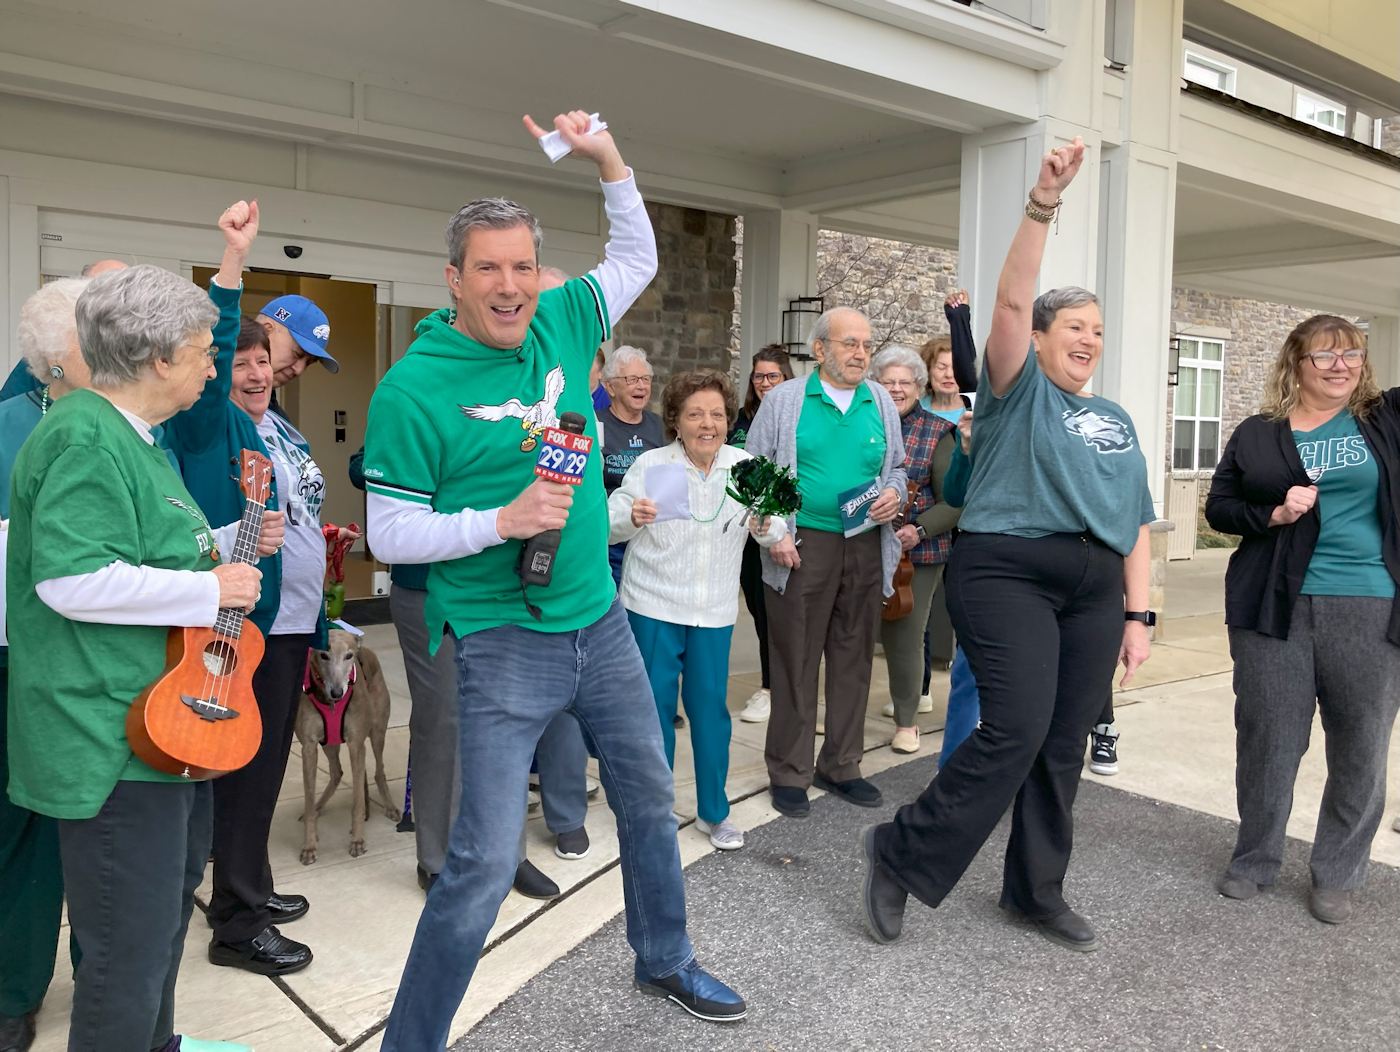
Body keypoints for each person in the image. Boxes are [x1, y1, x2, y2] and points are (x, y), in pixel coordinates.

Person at [362, 110, 746, 1049]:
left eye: (523, 265)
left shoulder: (567, 320)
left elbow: (635, 255)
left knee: (650, 801)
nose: (509, 285)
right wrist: (499, 521)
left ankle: (663, 958)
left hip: (598, 622)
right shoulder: (412, 388)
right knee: (484, 863)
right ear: (454, 278)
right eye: (488, 268)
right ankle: (413, 1040)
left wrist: (607, 157)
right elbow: (388, 531)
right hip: (497, 639)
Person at [861, 137, 1156, 955]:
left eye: (1098, 329)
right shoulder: (1015, 389)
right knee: (1015, 728)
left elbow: (1134, 522)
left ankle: (1034, 890)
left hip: (1096, 587)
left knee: (1063, 743)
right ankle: (901, 849)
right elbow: (1007, 303)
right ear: (1042, 336)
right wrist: (1042, 203)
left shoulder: (1119, 420)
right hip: (1009, 569)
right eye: (1074, 326)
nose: (1089, 338)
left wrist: (1142, 614)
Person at [6, 264, 269, 1052]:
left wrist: (215, 566)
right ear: (157, 357)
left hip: (160, 734)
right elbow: (71, 578)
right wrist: (212, 591)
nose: (214, 365)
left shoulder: (134, 439)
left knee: (152, 940)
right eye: (201, 351)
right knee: (125, 957)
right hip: (109, 746)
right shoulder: (87, 436)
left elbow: (144, 556)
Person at [160, 201, 342, 977]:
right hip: (243, 626)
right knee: (243, 770)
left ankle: (250, 888)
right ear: (210, 372)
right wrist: (232, 264)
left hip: (289, 621)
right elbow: (217, 341)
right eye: (241, 361)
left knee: (261, 770)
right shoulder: (211, 425)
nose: (261, 370)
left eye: (267, 360)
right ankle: (237, 922)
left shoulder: (279, 430)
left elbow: (287, 510)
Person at [1206, 314, 1400, 925]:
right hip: (1273, 606)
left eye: (1352, 354)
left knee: (1362, 743)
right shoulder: (1259, 434)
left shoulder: (1385, 420)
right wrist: (1274, 514)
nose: (1341, 366)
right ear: (1295, 363)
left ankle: (1338, 872)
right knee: (1268, 736)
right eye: (1325, 356)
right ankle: (1255, 858)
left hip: (1369, 602)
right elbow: (1220, 507)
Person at [349, 447, 582, 897]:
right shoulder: (416, 396)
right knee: (443, 721)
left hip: (500, 586)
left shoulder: (509, 401)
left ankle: (508, 857)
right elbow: (366, 465)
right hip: (429, 586)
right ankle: (437, 860)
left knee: (509, 722)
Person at [609, 369, 787, 851]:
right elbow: (608, 525)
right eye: (694, 414)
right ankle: (654, 809)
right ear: (676, 421)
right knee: (654, 714)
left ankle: (714, 812)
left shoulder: (747, 467)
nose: (707, 423)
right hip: (652, 605)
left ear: (728, 419)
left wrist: (768, 525)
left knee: (710, 712)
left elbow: (775, 532)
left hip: (712, 611)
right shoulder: (652, 466)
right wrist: (632, 515)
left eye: (716, 414)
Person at [745, 306, 908, 819]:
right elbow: (752, 472)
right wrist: (775, 533)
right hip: (801, 545)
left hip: (863, 542)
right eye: (849, 344)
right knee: (795, 657)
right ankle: (789, 772)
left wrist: (893, 494)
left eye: (866, 344)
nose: (861, 353)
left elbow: (898, 468)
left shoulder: (879, 401)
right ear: (820, 350)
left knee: (854, 656)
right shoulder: (787, 400)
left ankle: (841, 765)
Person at [0, 279, 90, 1052]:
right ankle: (12, 992)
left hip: (103, 665)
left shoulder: (129, 431)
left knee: (100, 831)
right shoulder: (8, 429)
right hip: (14, 661)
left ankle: (108, 983)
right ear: (62, 358)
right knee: (21, 833)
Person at [870, 345, 959, 755]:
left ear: (919, 386)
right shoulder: (863, 422)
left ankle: (907, 722)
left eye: (905, 382)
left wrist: (917, 530)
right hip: (861, 546)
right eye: (888, 382)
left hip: (915, 555)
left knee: (904, 635)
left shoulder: (938, 431)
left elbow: (955, 500)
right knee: (851, 633)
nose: (896, 389)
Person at [729, 345, 793, 724]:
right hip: (744, 532)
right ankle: (773, 682)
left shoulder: (796, 416)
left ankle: (774, 688)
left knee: (779, 613)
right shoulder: (739, 421)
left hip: (782, 529)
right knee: (757, 610)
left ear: (787, 378)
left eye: (773, 376)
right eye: (759, 376)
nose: (765, 383)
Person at [600, 346, 665, 581]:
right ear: (610, 386)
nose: (641, 386)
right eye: (632, 379)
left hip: (652, 538)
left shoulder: (660, 426)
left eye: (646, 379)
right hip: (612, 541)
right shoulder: (596, 426)